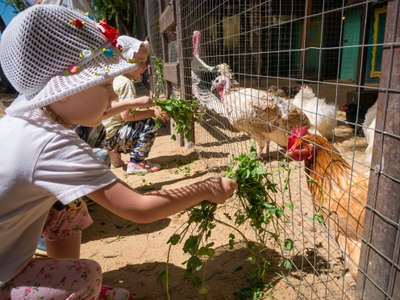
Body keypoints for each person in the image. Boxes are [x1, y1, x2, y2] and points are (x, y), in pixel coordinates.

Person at [0, 5, 237, 300]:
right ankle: (69, 285)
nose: (113, 94)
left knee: (69, 205)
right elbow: (138, 207)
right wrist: (206, 188)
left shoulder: (23, 122)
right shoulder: (51, 142)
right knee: (87, 275)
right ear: (66, 90)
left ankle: (58, 271)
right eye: (105, 84)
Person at [102, 35, 169, 174]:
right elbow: (126, 116)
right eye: (141, 61)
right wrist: (152, 112)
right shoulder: (126, 83)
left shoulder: (114, 79)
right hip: (114, 137)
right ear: (125, 61)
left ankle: (114, 156)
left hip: (105, 137)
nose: (145, 66)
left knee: (130, 122)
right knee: (151, 121)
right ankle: (137, 162)